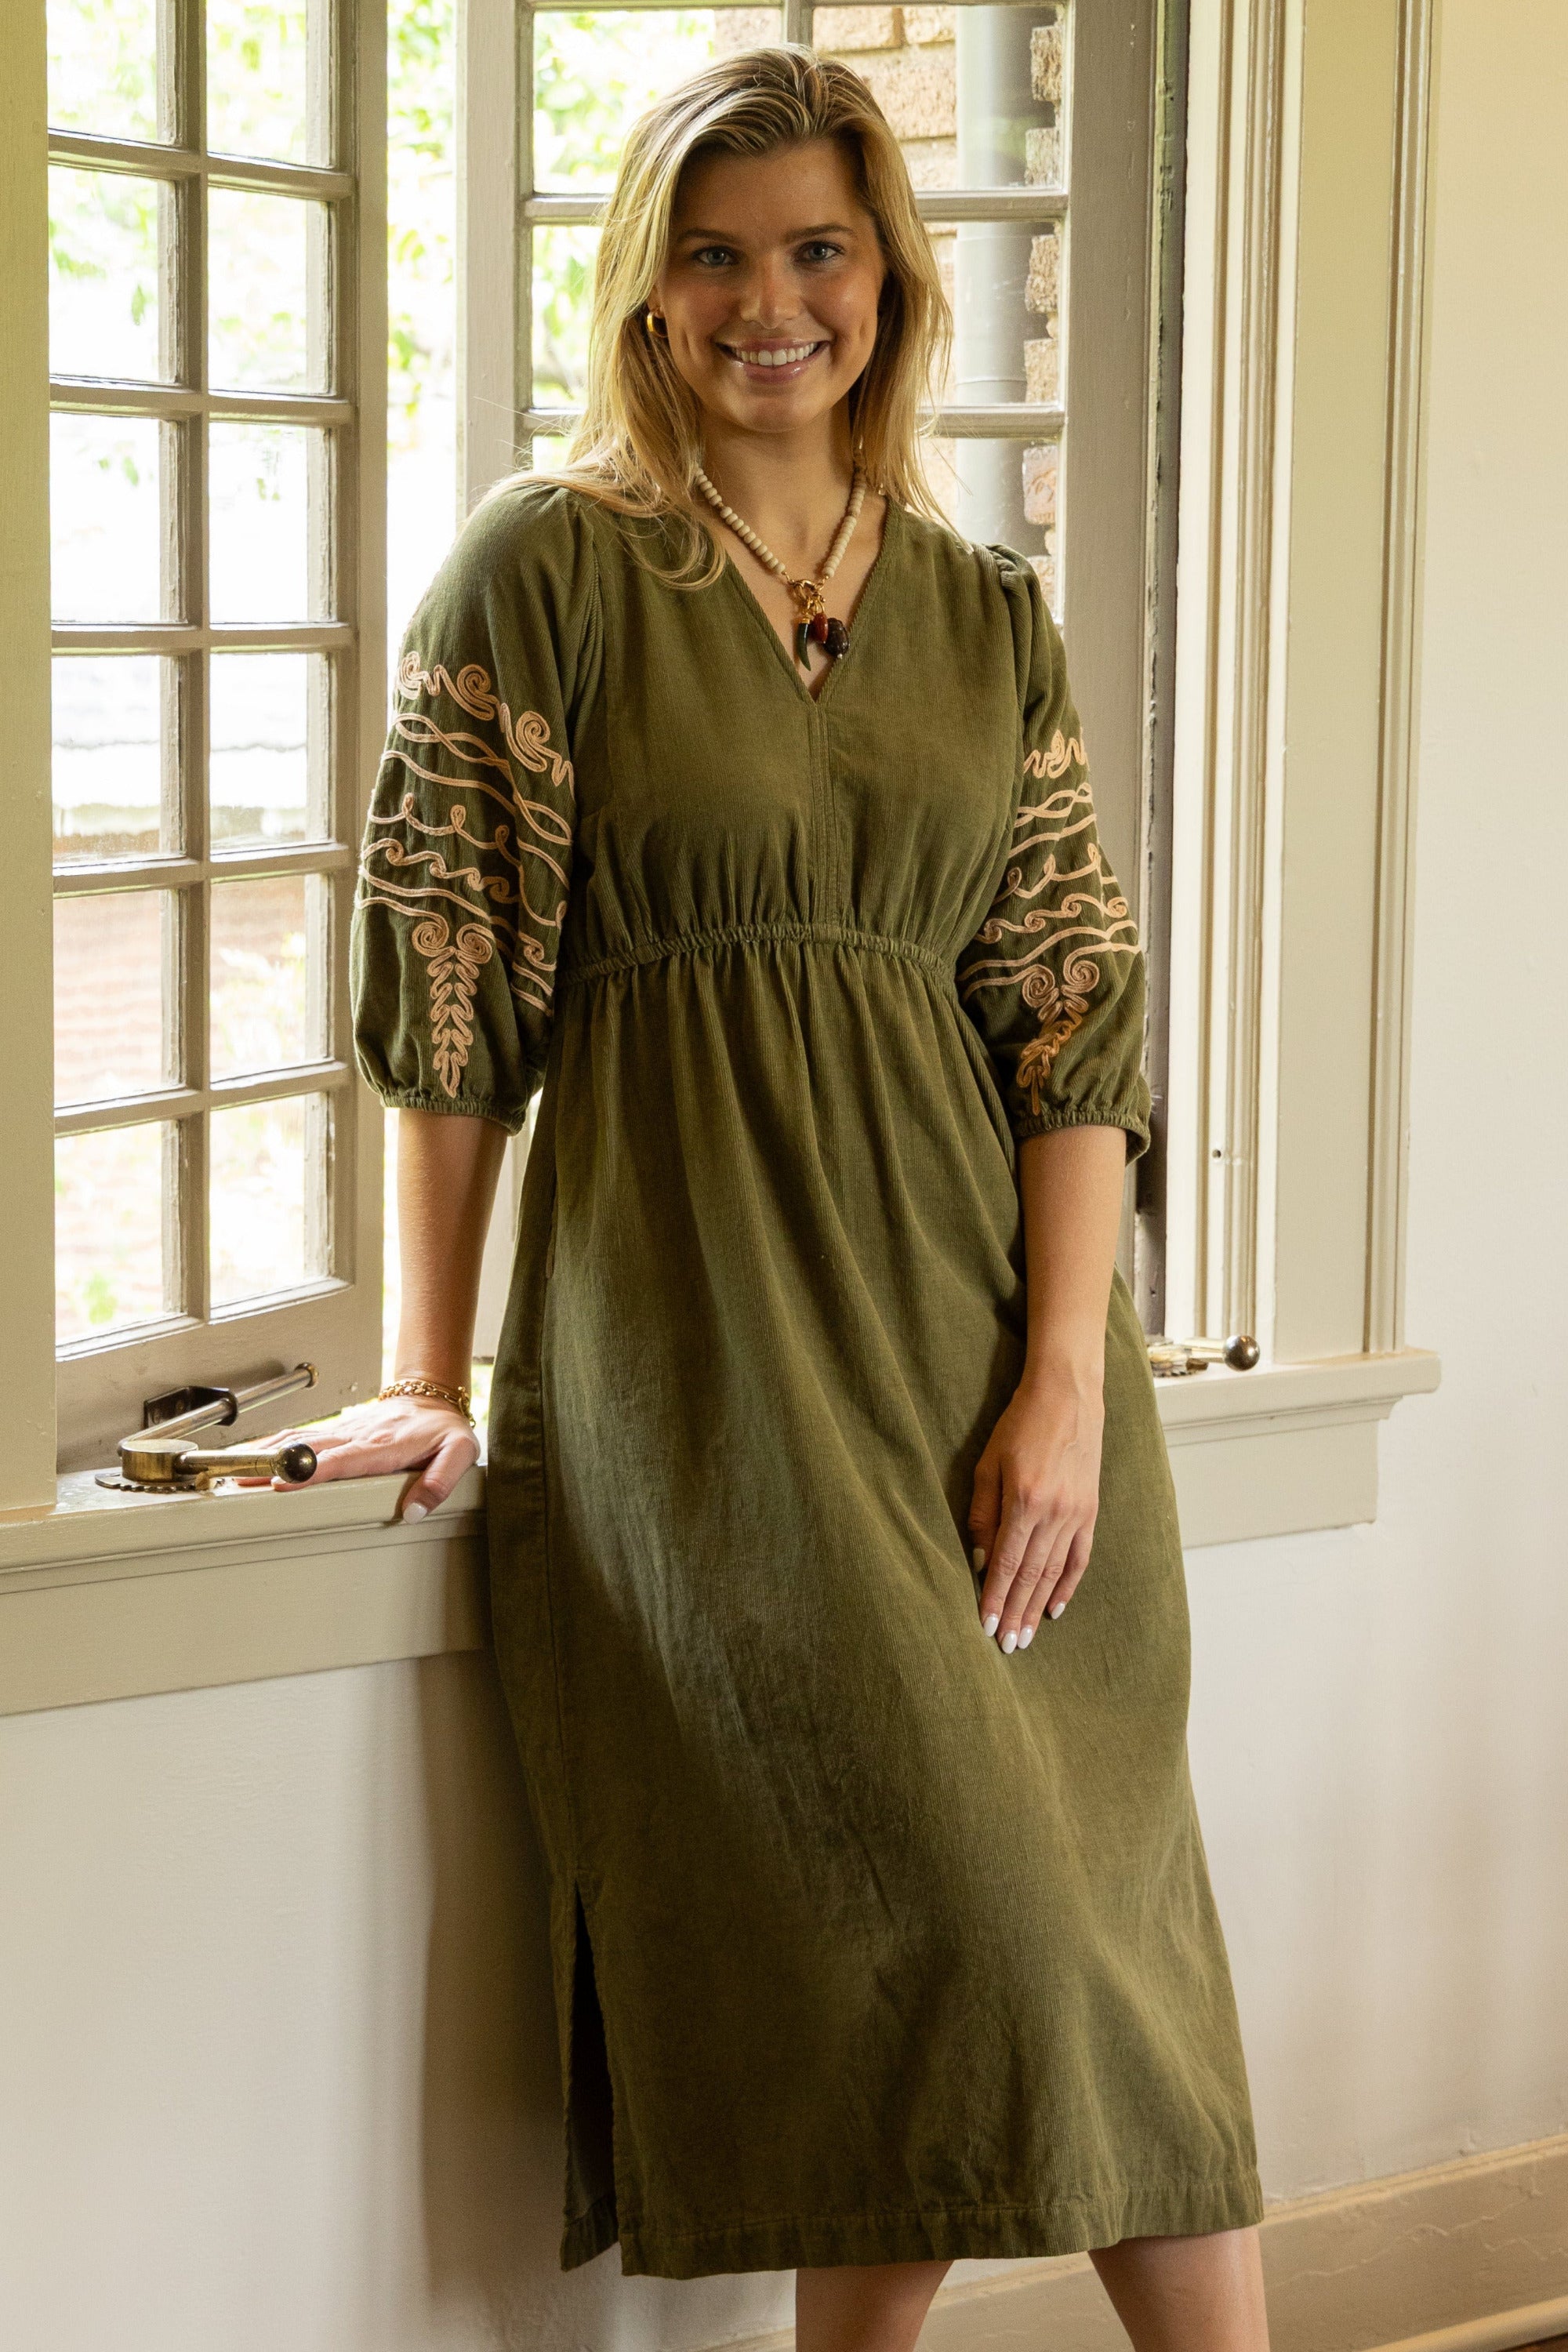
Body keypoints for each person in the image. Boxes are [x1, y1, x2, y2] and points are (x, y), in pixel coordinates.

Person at [305, 45, 1269, 2352]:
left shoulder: (982, 611)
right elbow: (452, 987)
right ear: (649, 291)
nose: (772, 303)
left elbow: (1070, 1024)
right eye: (718, 255)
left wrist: (1068, 1383)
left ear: (888, 277)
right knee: (942, 1925)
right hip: (713, 1367)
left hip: (995, 1366)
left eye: (819, 248)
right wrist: (430, 1369)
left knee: (1110, 1951)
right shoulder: (543, 573)